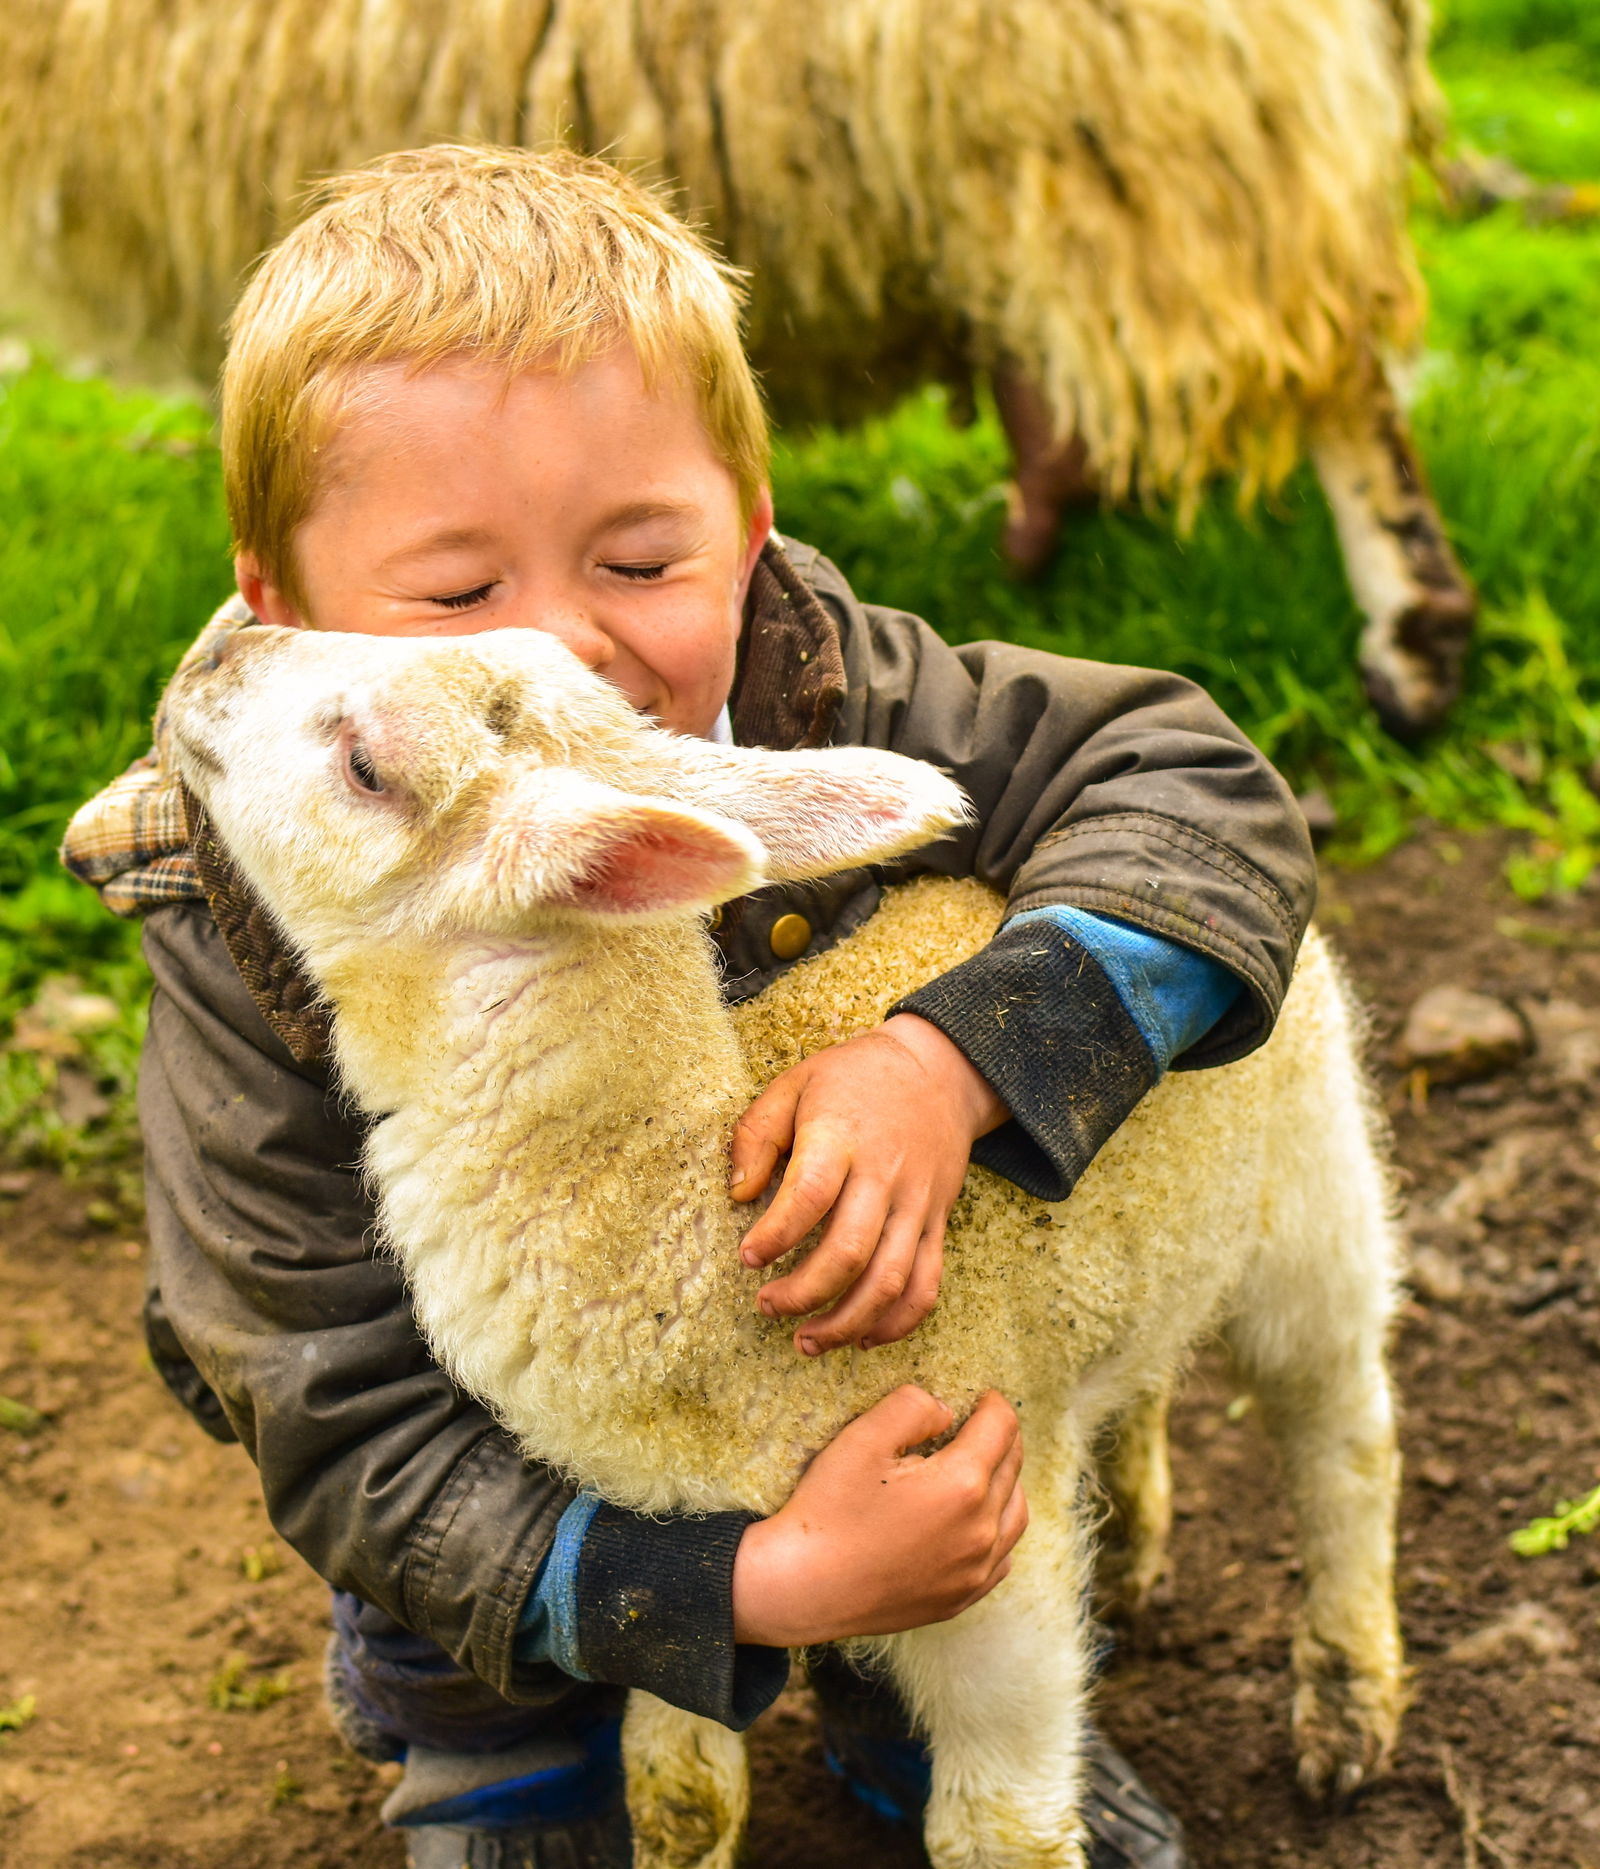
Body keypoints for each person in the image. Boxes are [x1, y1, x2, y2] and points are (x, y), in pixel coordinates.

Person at [64, 144, 1316, 1869]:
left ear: (750, 525)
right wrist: (744, 1580)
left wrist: (950, 1056)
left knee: (907, 1421)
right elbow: (321, 1387)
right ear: (287, 612)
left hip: (792, 1355)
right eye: (452, 597)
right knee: (468, 1472)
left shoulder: (834, 686)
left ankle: (904, 1690)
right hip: (476, 1451)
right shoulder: (243, 917)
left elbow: (1197, 787)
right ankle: (502, 1749)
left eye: (643, 561)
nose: (565, 656)